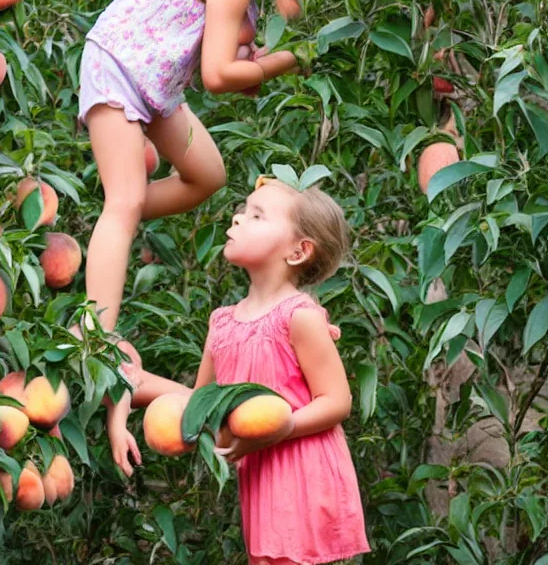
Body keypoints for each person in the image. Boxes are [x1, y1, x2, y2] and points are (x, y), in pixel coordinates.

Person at [77, 0, 359, 339]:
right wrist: (292, 59)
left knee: (207, 177)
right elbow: (217, 76)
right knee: (125, 202)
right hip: (120, 68)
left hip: (155, 84)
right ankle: (93, 336)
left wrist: (258, 63)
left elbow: (227, 65)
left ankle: (116, 214)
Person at [111, 175, 371, 564]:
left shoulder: (299, 317)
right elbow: (200, 404)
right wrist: (122, 404)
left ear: (298, 251)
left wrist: (277, 431)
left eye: (257, 215)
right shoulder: (223, 322)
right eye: (242, 210)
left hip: (306, 475)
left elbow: (337, 401)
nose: (236, 219)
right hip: (264, 479)